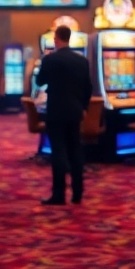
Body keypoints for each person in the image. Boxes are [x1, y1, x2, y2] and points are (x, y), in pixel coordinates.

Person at [35, 25, 92, 205]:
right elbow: (88, 88)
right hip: (75, 111)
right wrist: (83, 107)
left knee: (58, 151)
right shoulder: (81, 60)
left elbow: (39, 81)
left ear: (56, 39)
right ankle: (77, 193)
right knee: (76, 151)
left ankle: (59, 194)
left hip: (56, 111)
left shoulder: (50, 59)